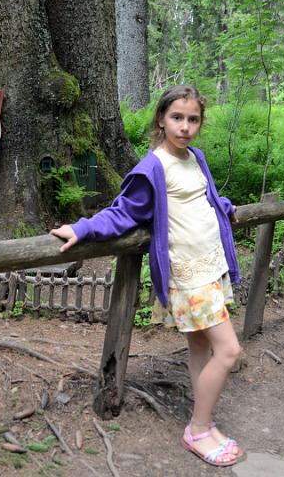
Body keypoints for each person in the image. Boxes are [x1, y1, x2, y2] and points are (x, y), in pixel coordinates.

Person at [50, 85, 244, 468]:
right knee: (229, 350)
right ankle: (198, 430)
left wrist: (223, 206)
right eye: (177, 118)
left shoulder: (196, 158)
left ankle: (205, 421)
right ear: (161, 119)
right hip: (189, 277)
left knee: (201, 349)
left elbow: (200, 197)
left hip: (210, 265)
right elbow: (123, 212)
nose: (185, 127)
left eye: (192, 119)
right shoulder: (152, 167)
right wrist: (83, 228)